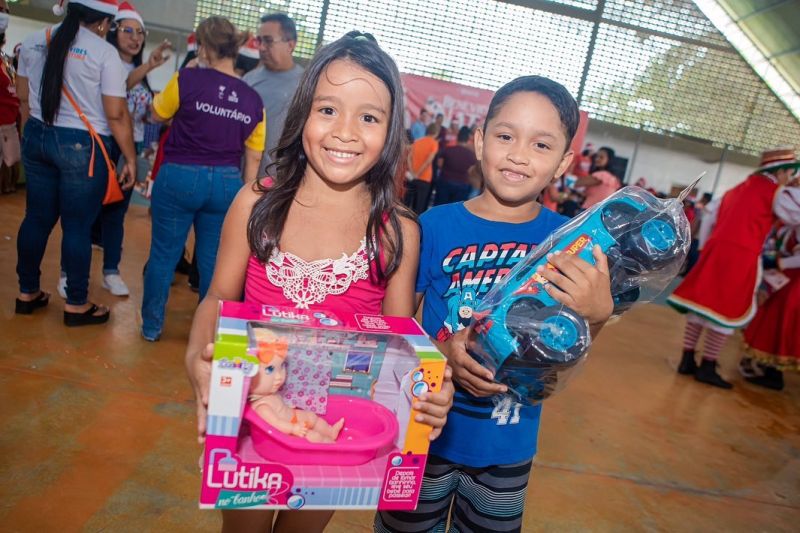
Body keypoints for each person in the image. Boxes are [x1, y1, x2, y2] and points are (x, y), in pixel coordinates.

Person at [183, 34, 454, 533]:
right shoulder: (256, 204)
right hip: (254, 416)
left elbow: (401, 346)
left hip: (339, 431)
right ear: (302, 112)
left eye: (369, 117)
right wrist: (196, 360)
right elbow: (219, 297)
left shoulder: (396, 232)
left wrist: (428, 390)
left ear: (391, 130)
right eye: (328, 109)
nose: (344, 132)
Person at [376, 75, 613, 533]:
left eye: (541, 145)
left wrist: (596, 317)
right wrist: (442, 354)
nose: (519, 155)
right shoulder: (434, 225)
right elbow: (396, 329)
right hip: (421, 430)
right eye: (506, 136)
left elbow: (564, 354)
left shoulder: (569, 243)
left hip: (507, 444)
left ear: (564, 162)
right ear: (481, 141)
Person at [140, 15, 265, 341]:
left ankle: (152, 327)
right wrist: (247, 201)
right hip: (226, 184)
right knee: (214, 262)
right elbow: (253, 157)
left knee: (163, 255)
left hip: (180, 176)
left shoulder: (186, 79)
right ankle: (209, 334)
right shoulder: (253, 100)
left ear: (205, 47)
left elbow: (156, 114)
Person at [15, 0, 136, 326]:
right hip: (82, 146)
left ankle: (27, 293)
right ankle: (76, 304)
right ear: (104, 23)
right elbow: (115, 114)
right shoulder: (103, 53)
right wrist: (130, 158)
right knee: (78, 226)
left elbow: (23, 97)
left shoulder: (33, 40)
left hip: (37, 133)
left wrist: (32, 137)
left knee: (36, 219)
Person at [56, 1, 171, 299]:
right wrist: (149, 66)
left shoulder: (140, 71)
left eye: (140, 32)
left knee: (116, 214)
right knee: (83, 213)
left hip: (130, 146)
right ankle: (68, 274)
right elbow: (118, 90)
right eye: (128, 31)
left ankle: (111, 271)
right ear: (111, 29)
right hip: (102, 143)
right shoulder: (102, 58)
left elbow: (141, 111)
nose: (135, 38)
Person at [667, 147, 800, 388]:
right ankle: (708, 366)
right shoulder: (776, 193)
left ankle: (687, 359)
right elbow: (795, 216)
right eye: (789, 173)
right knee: (727, 308)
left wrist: (705, 247)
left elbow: (709, 216)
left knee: (701, 306)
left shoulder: (736, 190)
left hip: (715, 251)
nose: (790, 178)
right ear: (780, 171)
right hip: (742, 255)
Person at [740, 185, 800, 391]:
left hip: (793, 281)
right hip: (787, 278)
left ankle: (775, 373)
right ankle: (772, 370)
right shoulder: (789, 226)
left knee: (783, 318)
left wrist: (778, 262)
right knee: (775, 318)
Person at [244, 12, 304, 174]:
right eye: (259, 40)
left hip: (280, 178)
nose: (261, 47)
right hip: (243, 174)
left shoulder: (305, 84)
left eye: (268, 41)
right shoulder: (249, 80)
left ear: (290, 45)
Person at [0, 1, 21, 195]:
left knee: (11, 161)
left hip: (9, 121)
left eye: (6, 11)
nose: (4, 15)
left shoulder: (5, 60)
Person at [433, 125, 477, 205]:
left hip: (445, 181)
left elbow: (439, 164)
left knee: (439, 206)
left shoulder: (448, 150)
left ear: (457, 138)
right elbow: (471, 171)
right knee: (455, 209)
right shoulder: (471, 155)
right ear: (468, 140)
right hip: (462, 185)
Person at [404, 123, 438, 214]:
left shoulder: (417, 141)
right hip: (424, 178)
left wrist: (412, 172)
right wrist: (418, 173)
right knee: (419, 207)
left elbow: (409, 158)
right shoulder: (434, 143)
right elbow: (428, 161)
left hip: (412, 178)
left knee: (406, 204)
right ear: (436, 133)